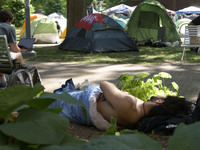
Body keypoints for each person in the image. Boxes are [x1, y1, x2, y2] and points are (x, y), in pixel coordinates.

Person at [51, 79, 200, 131]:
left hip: (72, 104)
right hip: (79, 113)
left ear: (160, 101)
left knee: (49, 99)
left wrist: (111, 93)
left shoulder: (130, 104)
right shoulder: (137, 119)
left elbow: (104, 84)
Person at [0, 10, 27, 88]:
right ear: (8, 20)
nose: (11, 23)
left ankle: (2, 80)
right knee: (18, 54)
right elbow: (14, 49)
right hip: (2, 59)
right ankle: (24, 77)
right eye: (10, 21)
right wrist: (21, 50)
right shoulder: (9, 28)